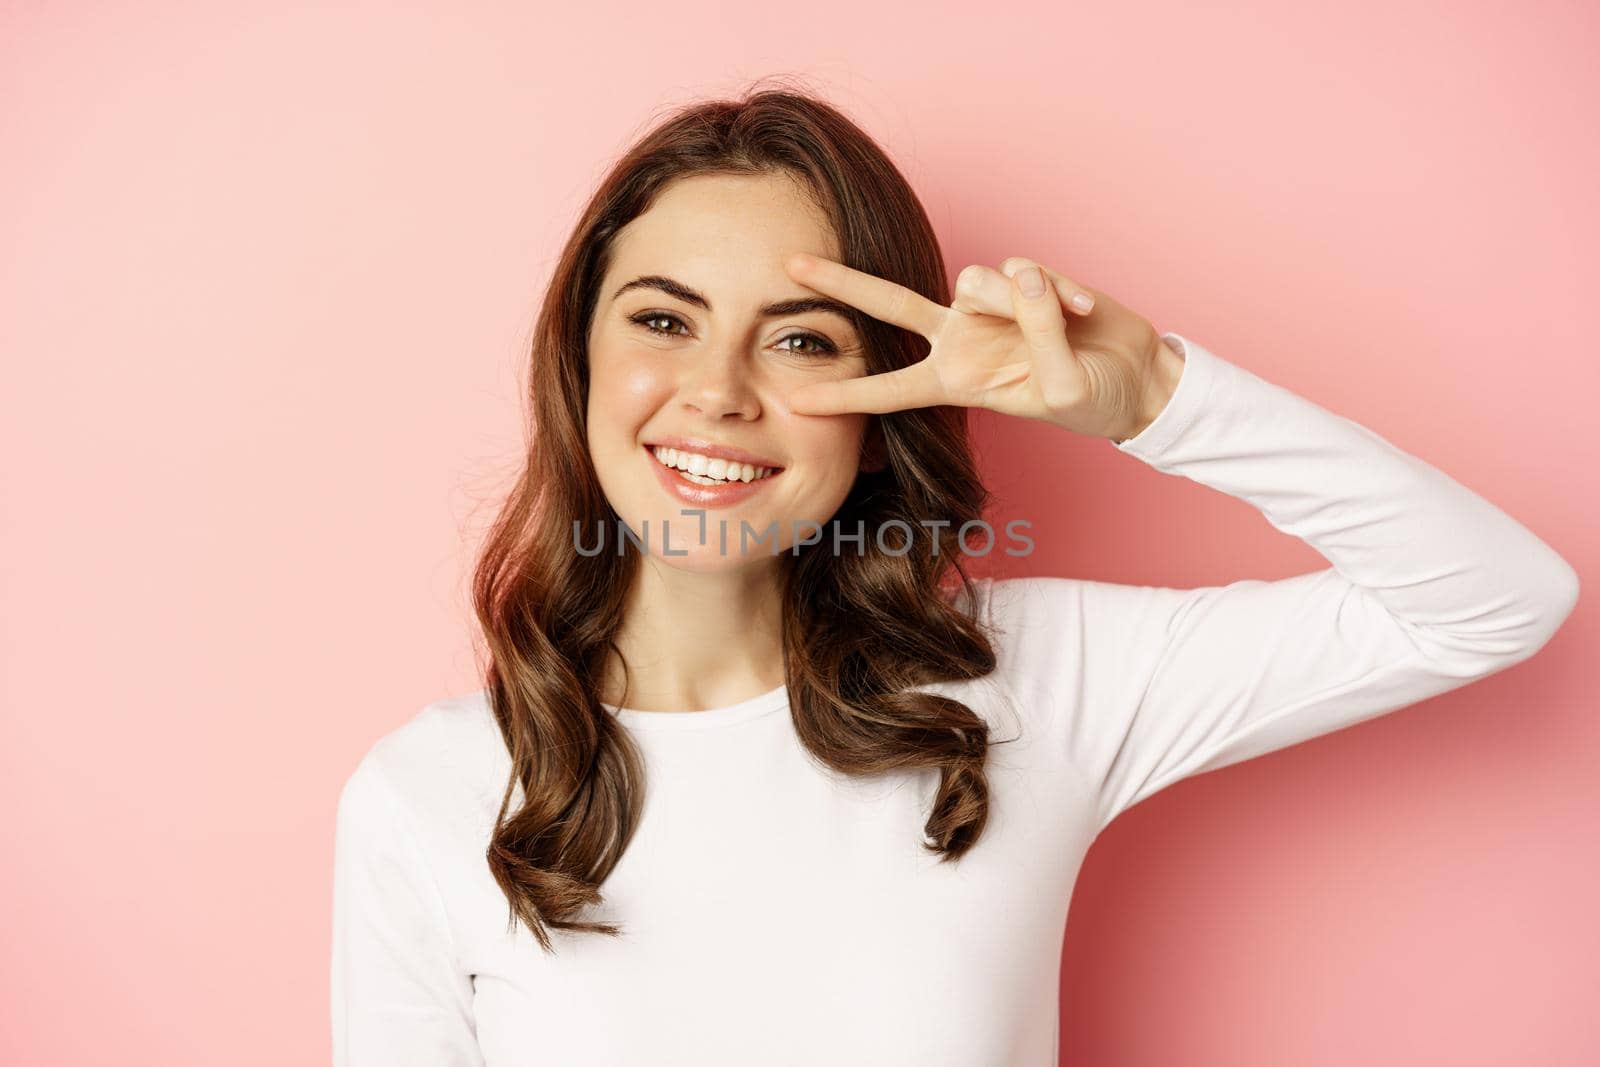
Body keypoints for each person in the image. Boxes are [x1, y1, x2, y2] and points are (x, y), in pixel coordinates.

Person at [329, 85, 1579, 1067]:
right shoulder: (427, 792)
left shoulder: (1028, 685)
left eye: (801, 339)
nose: (717, 390)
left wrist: (1157, 400)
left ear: (883, 407)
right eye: (663, 319)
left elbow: (1491, 599)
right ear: (579, 360)